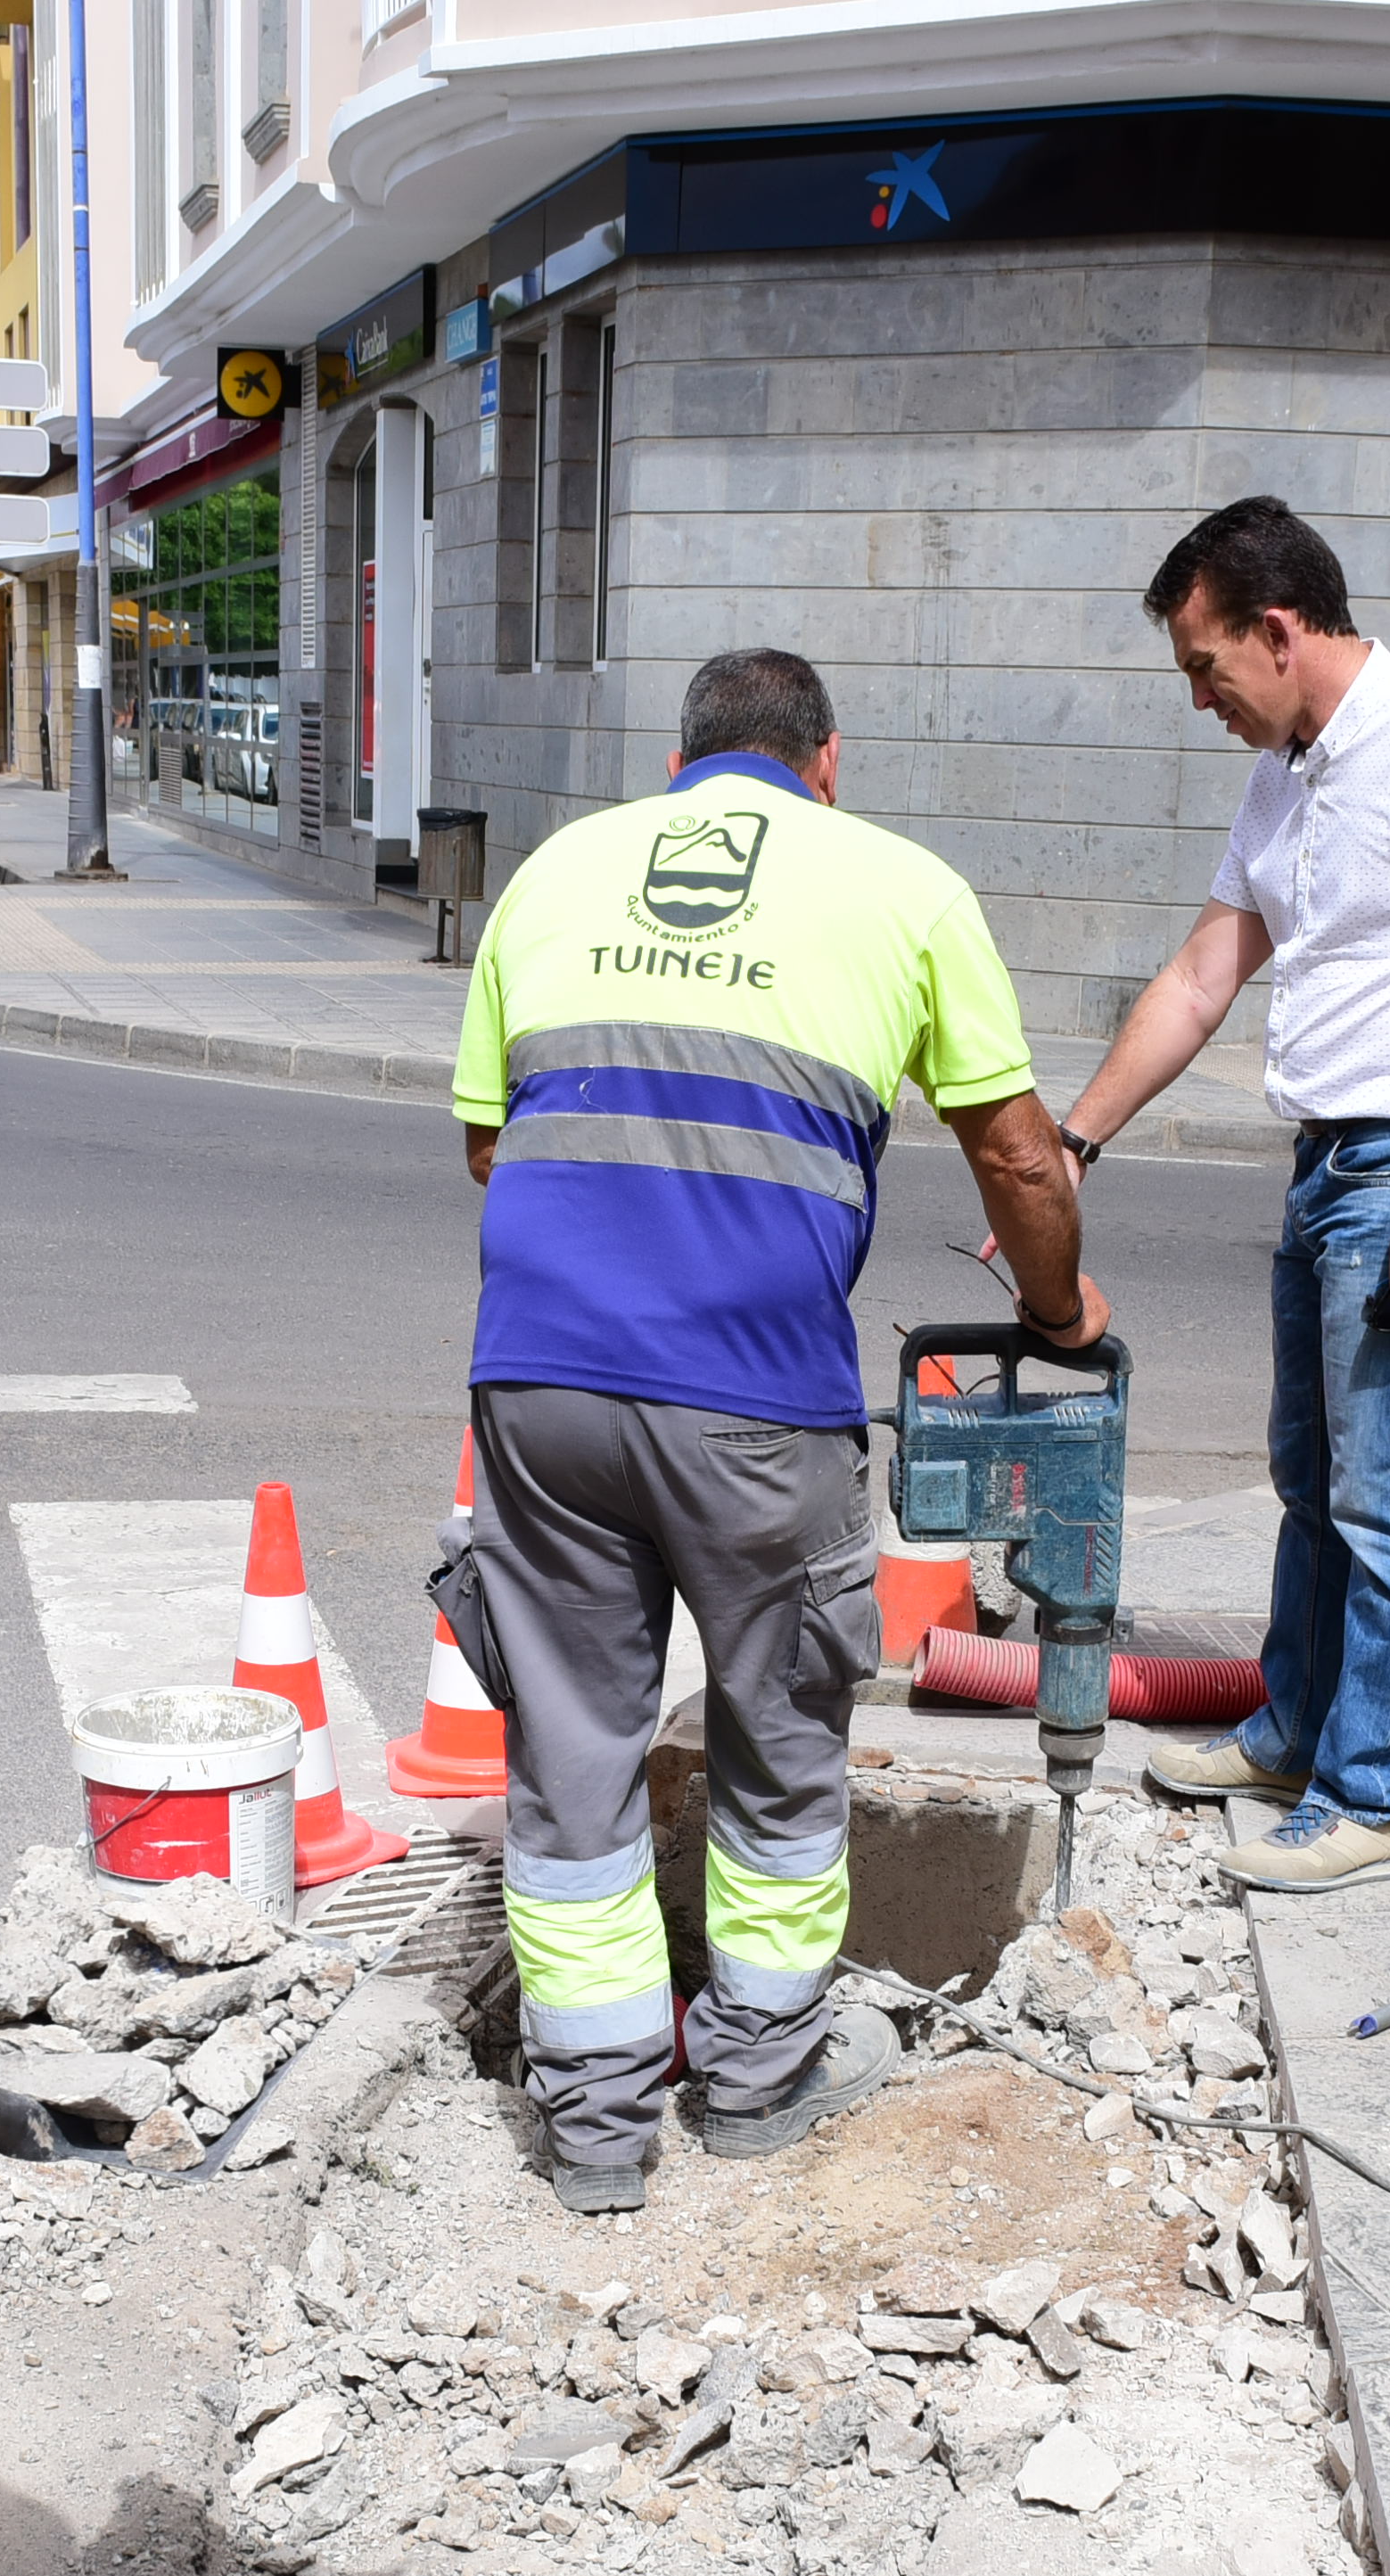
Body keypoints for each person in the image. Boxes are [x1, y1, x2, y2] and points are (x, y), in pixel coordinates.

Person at [448, 645, 1104, 2215]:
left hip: (539, 1387)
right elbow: (1018, 1160)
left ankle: (594, 2131)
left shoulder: (553, 873)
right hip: (755, 1400)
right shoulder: (904, 885)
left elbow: (494, 1144)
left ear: (684, 765)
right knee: (779, 1754)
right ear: (826, 760)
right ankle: (753, 2081)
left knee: (571, 1760)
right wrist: (1061, 1310)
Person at [1056, 496, 1390, 1892]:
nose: (1202, 699)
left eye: (1205, 666)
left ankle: (1370, 1799)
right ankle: (1293, 1732)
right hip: (1331, 1163)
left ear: (1278, 631)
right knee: (1314, 1479)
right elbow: (1202, 977)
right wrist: (1073, 1143)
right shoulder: (1286, 772)